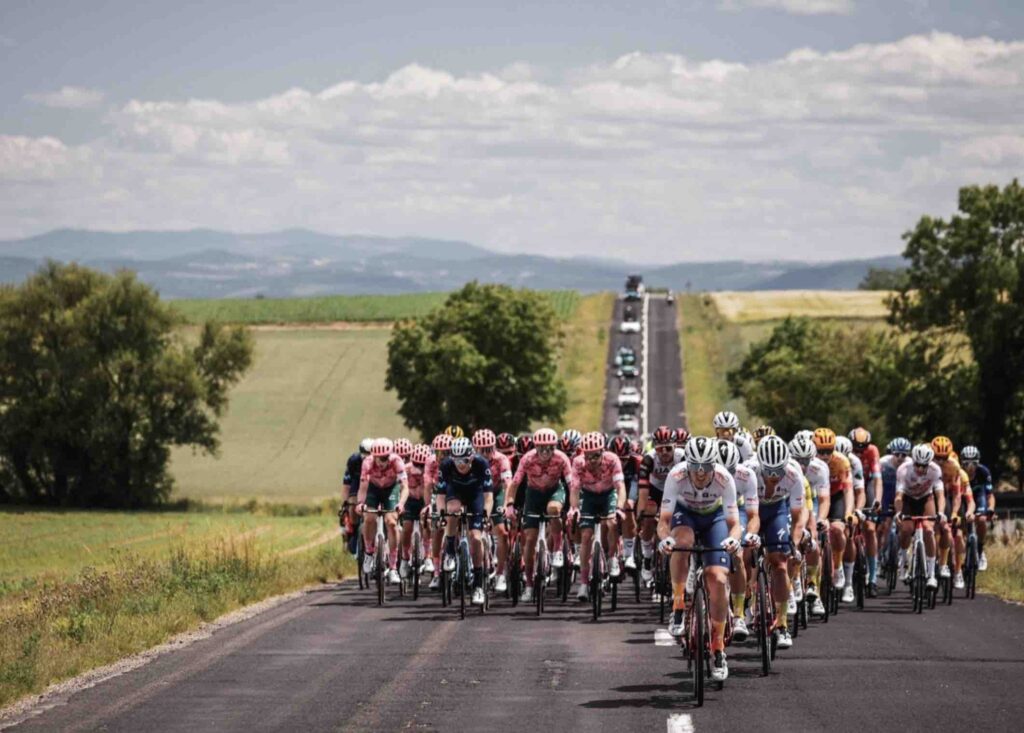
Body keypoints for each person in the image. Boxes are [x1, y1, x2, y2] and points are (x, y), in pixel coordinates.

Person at [657, 436, 741, 682]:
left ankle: (718, 649)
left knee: (716, 577)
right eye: (696, 467)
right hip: (686, 515)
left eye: (707, 467)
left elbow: (735, 524)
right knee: (681, 544)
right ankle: (679, 604)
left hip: (714, 518)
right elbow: (663, 522)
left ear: (715, 465)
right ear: (688, 464)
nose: (701, 473)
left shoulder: (725, 479)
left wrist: (734, 540)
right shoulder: (676, 476)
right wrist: (665, 540)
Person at [747, 436, 807, 649]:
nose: (773, 476)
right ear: (759, 464)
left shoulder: (793, 474)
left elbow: (799, 517)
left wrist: (795, 544)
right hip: (750, 509)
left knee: (781, 563)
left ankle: (781, 625)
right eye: (768, 471)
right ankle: (743, 601)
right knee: (744, 553)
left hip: (776, 511)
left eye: (778, 471)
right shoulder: (748, 470)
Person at [504, 428, 575, 603]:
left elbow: (572, 485)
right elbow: (514, 484)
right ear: (536, 447)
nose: (545, 452)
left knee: (554, 510)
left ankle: (557, 550)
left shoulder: (562, 458)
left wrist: (573, 507)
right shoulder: (527, 459)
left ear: (554, 447)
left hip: (554, 491)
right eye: (541, 448)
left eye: (549, 448)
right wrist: (510, 505)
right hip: (533, 494)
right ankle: (528, 584)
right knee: (529, 540)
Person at [568, 432, 627, 600]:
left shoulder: (613, 459)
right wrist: (574, 508)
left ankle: (612, 559)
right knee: (586, 535)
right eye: (588, 456)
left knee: (611, 523)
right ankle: (584, 583)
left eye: (596, 455)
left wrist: (620, 508)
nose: (592, 460)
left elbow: (620, 487)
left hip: (608, 494)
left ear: (603, 451)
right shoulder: (578, 463)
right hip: (588, 496)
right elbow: (574, 489)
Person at [437, 437, 494, 606]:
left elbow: (488, 496)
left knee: (476, 538)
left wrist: (485, 516)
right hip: (455, 492)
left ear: (471, 457)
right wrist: (441, 514)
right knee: (452, 510)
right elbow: (440, 496)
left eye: (464, 460)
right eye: (456, 460)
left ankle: (478, 585)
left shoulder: (481, 464)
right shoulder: (446, 465)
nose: (460, 464)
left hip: (475, 495)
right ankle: (450, 552)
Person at [716, 439, 757, 642]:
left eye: (730, 470)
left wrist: (749, 533)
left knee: (737, 553)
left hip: (735, 511)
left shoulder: (746, 475)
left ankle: (740, 614)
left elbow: (752, 514)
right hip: (708, 509)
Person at [356, 438, 410, 584]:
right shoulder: (367, 462)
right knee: (369, 517)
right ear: (373, 456)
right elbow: (363, 487)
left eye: (385, 458)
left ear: (390, 455)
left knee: (391, 522)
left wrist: (401, 503)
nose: (381, 462)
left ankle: (393, 568)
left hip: (390, 489)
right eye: (378, 458)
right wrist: (360, 503)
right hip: (373, 489)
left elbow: (405, 486)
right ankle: (368, 552)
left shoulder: (397, 461)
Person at [638, 426, 686, 591]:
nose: (664, 452)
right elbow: (643, 492)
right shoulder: (648, 460)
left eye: (668, 448)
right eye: (660, 449)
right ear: (654, 448)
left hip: (676, 491)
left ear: (675, 447)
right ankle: (647, 557)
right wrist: (641, 515)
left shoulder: (682, 458)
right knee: (649, 514)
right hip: (655, 491)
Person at [790, 435, 830, 617]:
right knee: (792, 539)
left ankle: (814, 586)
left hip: (810, 500)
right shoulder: (788, 469)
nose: (802, 464)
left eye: (806, 460)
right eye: (798, 459)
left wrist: (821, 519)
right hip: (790, 501)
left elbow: (823, 499)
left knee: (812, 539)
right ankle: (795, 579)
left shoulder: (820, 468)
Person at [813, 428, 856, 599]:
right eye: (820, 451)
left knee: (838, 529)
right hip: (816, 497)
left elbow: (848, 491)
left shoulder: (841, 462)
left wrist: (848, 513)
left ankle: (838, 567)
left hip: (836, 496)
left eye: (828, 451)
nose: (824, 455)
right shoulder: (810, 462)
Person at [894, 444, 944, 589]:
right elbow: (898, 496)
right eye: (918, 465)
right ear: (913, 461)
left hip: (925, 498)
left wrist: (940, 512)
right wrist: (898, 513)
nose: (921, 469)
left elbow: (939, 494)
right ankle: (903, 560)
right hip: (908, 499)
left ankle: (931, 574)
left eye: (924, 466)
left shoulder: (935, 470)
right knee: (906, 529)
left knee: (929, 530)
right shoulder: (904, 470)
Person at [473, 429, 513, 593]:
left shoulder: (501, 459)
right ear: (475, 449)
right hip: (476, 493)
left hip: (496, 492)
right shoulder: (470, 460)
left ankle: (500, 574)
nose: (486, 453)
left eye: (489, 449)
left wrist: (506, 504)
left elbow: (508, 483)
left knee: (502, 533)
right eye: (482, 450)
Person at [849, 427, 883, 595]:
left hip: (867, 483)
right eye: (856, 448)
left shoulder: (873, 451)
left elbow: (877, 479)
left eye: (863, 448)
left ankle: (873, 577)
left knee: (870, 529)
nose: (860, 452)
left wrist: (877, 500)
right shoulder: (847, 451)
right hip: (851, 484)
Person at [400, 443, 434, 579]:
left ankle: (427, 556)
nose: (419, 468)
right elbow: (398, 486)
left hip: (425, 501)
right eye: (416, 464)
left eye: (422, 465)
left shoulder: (432, 469)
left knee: (427, 524)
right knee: (407, 527)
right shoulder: (406, 469)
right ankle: (404, 558)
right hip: (410, 500)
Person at [608, 434, 641, 571]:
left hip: (629, 487)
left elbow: (635, 483)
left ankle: (629, 555)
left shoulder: (636, 462)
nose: (621, 463)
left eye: (624, 459)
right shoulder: (605, 461)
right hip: (611, 488)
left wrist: (631, 501)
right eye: (618, 459)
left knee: (628, 509)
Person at [960, 445, 994, 571]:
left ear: (978, 462)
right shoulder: (958, 472)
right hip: (963, 498)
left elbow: (990, 495)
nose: (970, 466)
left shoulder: (983, 472)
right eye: (966, 462)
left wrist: (990, 508)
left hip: (979, 496)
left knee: (981, 520)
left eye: (974, 463)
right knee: (960, 524)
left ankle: (980, 550)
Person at [426, 433, 452, 590]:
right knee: (437, 529)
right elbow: (428, 486)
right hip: (438, 494)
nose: (441, 456)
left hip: (456, 493)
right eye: (438, 452)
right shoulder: (430, 462)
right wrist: (428, 505)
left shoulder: (457, 461)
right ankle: (436, 573)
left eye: (446, 452)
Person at [340, 437, 373, 554]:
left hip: (371, 483)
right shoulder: (353, 461)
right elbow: (347, 485)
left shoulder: (378, 460)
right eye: (364, 454)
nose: (366, 457)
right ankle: (354, 533)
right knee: (352, 505)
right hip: (357, 482)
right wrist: (345, 503)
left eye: (369, 454)